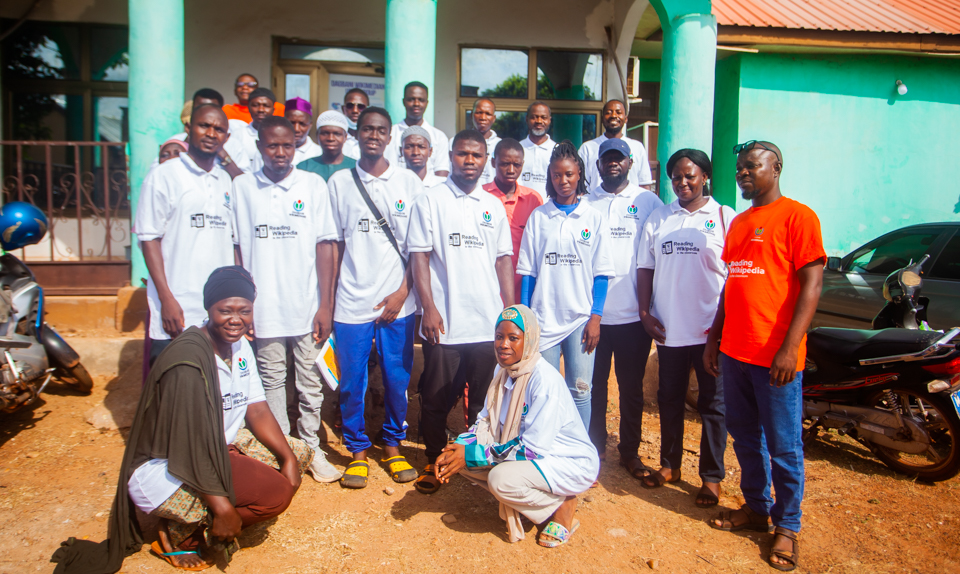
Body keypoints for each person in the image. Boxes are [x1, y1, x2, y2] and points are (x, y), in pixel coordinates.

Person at [50, 267, 313, 573]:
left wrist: (289, 459)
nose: (235, 319)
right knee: (276, 495)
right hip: (169, 464)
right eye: (225, 310)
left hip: (217, 445)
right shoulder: (189, 361)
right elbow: (190, 446)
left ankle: (202, 509)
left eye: (244, 310)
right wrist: (223, 509)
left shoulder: (239, 345)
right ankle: (178, 534)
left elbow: (256, 408)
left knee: (298, 454)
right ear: (208, 309)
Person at [703, 140, 824, 572]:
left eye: (752, 166)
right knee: (744, 435)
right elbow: (731, 284)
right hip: (735, 351)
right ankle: (757, 508)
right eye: (739, 169)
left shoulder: (798, 217)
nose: (743, 174)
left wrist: (791, 347)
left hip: (775, 357)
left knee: (784, 445)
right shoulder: (739, 224)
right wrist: (714, 336)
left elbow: (811, 285)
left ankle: (787, 526)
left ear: (776, 167)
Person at [232, 116, 341, 483]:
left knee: (311, 382)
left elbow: (326, 246)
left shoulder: (311, 185)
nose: (280, 153)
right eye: (271, 146)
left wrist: (325, 304)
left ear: (296, 146)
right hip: (263, 310)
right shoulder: (243, 187)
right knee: (271, 380)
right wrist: (241, 308)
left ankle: (310, 447)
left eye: (287, 146)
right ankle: (284, 451)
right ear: (260, 147)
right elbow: (237, 250)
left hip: (306, 306)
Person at [435, 305, 599, 546]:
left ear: (529, 340)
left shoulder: (543, 380)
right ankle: (530, 498)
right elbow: (485, 421)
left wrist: (470, 454)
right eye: (499, 337)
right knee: (458, 459)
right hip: (533, 454)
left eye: (514, 338)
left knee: (500, 479)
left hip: (565, 461)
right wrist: (459, 446)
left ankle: (563, 506)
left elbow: (531, 449)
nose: (503, 344)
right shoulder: (503, 371)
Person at [407, 129, 515, 494]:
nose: (470, 161)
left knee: (483, 404)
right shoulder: (430, 200)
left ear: (486, 161)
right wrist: (429, 307)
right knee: (436, 399)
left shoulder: (493, 205)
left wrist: (510, 310)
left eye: (477, 155)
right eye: (463, 154)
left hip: (486, 324)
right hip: (446, 323)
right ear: (450, 155)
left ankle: (472, 463)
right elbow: (419, 256)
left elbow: (503, 260)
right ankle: (433, 460)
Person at [327, 106, 424, 489]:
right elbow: (333, 245)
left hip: (398, 302)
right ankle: (356, 451)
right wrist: (328, 300)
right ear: (357, 134)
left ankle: (393, 445)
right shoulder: (339, 183)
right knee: (351, 380)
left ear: (389, 137)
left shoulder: (409, 183)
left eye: (380, 130)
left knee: (397, 379)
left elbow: (418, 248)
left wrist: (403, 292)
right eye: (367, 129)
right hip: (351, 301)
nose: (373, 135)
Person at [636, 149, 733, 504]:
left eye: (690, 175)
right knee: (669, 399)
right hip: (669, 329)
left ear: (705, 176)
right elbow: (644, 268)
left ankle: (711, 477)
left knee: (712, 405)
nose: (682, 182)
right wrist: (645, 313)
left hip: (710, 331)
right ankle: (669, 465)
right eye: (676, 176)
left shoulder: (724, 217)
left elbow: (733, 277)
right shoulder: (660, 218)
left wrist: (722, 330)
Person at [517, 140, 613, 431]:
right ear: (550, 176)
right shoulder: (540, 217)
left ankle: (579, 457)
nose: (563, 181)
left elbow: (602, 274)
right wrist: (526, 318)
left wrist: (595, 317)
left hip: (580, 321)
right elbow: (528, 273)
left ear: (579, 173)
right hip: (543, 320)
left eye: (569, 174)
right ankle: (543, 453)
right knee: (541, 391)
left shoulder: (594, 218)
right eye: (557, 175)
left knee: (580, 390)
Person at [584, 138, 662, 476]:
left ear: (630, 163)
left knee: (631, 389)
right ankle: (593, 449)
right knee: (592, 387)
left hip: (633, 316)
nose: (613, 164)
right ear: (598, 165)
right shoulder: (586, 202)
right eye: (606, 159)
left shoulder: (648, 202)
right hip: (592, 317)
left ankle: (629, 452)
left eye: (619, 159)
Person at [135, 104, 236, 366]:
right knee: (171, 390)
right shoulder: (163, 175)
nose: (211, 133)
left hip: (216, 310)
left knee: (214, 389)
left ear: (226, 138)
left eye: (219, 129)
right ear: (189, 128)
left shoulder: (225, 181)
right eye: (205, 125)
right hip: (177, 307)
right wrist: (166, 299)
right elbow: (149, 239)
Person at [482, 138, 542, 298]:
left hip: (522, 288)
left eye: (517, 165)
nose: (511, 170)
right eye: (504, 163)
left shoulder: (533, 199)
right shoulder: (480, 196)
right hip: (486, 285)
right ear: (493, 162)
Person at [578, 99, 653, 190]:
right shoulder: (587, 148)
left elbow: (644, 183)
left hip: (630, 203)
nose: (613, 116)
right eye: (609, 112)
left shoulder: (637, 147)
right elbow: (581, 184)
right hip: (596, 202)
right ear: (602, 119)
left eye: (618, 112)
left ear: (625, 119)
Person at [385, 82, 450, 177]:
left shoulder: (439, 136)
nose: (416, 104)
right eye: (411, 99)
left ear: (426, 103)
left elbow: (441, 172)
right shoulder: (391, 133)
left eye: (421, 100)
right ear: (403, 102)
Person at [296, 110, 357, 181]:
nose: (331, 138)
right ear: (317, 135)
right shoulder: (304, 167)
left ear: (345, 137)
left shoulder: (355, 167)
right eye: (325, 133)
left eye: (337, 134)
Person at [235, 88, 278, 172]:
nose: (260, 110)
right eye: (255, 105)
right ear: (248, 108)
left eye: (266, 106)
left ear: (273, 110)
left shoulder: (279, 136)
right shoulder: (238, 135)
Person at [519, 101, 556, 201]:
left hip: (549, 209)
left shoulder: (557, 150)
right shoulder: (517, 149)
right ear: (527, 119)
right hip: (520, 207)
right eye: (534, 117)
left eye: (543, 117)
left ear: (549, 120)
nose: (539, 121)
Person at [471, 98, 501, 185]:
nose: (483, 118)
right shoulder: (457, 142)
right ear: (471, 115)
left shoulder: (500, 145)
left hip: (494, 196)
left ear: (494, 118)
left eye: (488, 114)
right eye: (479, 113)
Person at [284, 97, 322, 165]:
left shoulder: (319, 154)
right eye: (291, 123)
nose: (296, 129)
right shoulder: (272, 151)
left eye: (302, 124)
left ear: (310, 125)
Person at [340, 87, 368, 161]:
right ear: (343, 109)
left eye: (360, 107)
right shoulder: (336, 138)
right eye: (350, 106)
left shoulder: (372, 139)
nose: (355, 110)